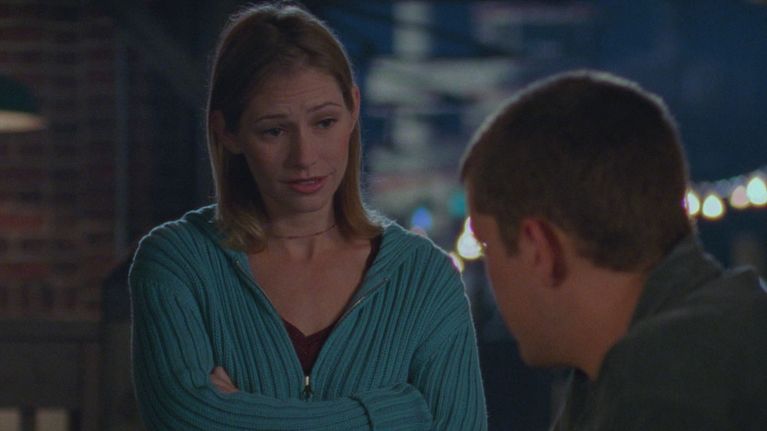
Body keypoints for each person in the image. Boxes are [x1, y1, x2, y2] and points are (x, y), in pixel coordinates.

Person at [129, 3, 487, 430]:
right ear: (227, 132)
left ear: (353, 109)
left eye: (324, 122)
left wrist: (241, 416)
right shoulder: (179, 264)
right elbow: (185, 421)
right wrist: (394, 415)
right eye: (274, 130)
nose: (304, 157)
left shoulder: (424, 277)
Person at [460, 70, 767, 430]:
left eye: (486, 245)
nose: (489, 272)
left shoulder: (659, 393)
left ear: (538, 248)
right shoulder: (726, 323)